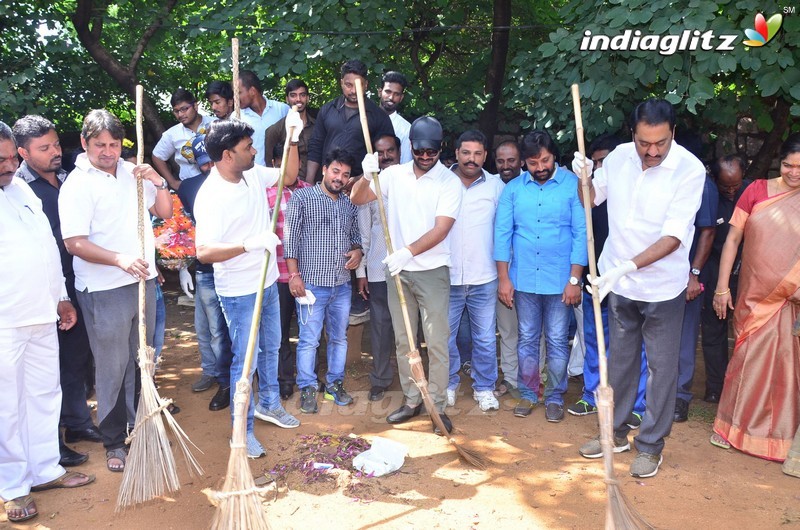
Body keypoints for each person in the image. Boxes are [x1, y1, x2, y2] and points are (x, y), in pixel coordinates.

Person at [573, 98, 706, 479]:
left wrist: (626, 267)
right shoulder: (617, 157)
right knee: (621, 360)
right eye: (644, 143)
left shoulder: (689, 170)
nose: (651, 151)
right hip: (618, 280)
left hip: (662, 287)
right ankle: (613, 433)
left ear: (673, 134)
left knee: (662, 368)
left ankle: (650, 445)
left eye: (659, 144)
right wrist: (583, 177)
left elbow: (674, 238)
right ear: (633, 134)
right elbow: (591, 200)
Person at [59, 109, 173, 473]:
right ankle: (113, 439)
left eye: (113, 144)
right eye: (99, 145)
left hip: (143, 279)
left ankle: (142, 423)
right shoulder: (77, 184)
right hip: (104, 287)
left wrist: (158, 180)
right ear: (84, 143)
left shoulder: (132, 171)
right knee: (112, 364)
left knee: (143, 355)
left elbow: (166, 211)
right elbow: (74, 242)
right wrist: (120, 259)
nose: (108, 152)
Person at [0, 121, 95, 524]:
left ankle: (44, 470)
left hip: (41, 312)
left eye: (9, 158)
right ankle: (11, 486)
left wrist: (60, 297)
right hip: (5, 320)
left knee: (43, 393)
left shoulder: (20, 190)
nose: (7, 166)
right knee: (6, 406)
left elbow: (47, 247)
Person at [194, 115, 303, 459]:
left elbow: (289, 175)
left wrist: (293, 138)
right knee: (246, 361)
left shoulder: (252, 173)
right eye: (247, 147)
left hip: (267, 281)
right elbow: (204, 252)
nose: (254, 151)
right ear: (227, 155)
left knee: (271, 348)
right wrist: (248, 244)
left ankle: (269, 404)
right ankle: (242, 430)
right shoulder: (211, 196)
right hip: (239, 291)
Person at [353, 116, 462, 434]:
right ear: (411, 147)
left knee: (438, 342)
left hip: (431, 272)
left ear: (440, 148)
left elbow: (441, 229)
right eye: (420, 151)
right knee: (405, 341)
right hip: (398, 273)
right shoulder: (393, 175)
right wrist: (366, 173)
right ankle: (412, 400)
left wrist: (407, 252)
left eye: (432, 152)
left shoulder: (448, 181)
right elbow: (357, 198)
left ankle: (437, 406)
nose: (426, 157)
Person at [12, 115, 102, 466]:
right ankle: (50, 443)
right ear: (23, 152)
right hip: (42, 292)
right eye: (44, 148)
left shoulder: (67, 178)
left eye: (56, 144)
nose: (55, 152)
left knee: (77, 359)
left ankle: (78, 423)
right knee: (45, 373)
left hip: (75, 282)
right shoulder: (18, 189)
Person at [710, 133, 800, 462]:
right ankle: (732, 428)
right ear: (781, 162)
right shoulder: (756, 190)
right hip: (753, 295)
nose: (794, 173)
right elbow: (732, 240)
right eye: (789, 165)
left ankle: (779, 438)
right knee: (746, 361)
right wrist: (722, 287)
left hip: (792, 299)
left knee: (787, 366)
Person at [495, 130, 586, 422]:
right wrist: (504, 278)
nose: (540, 167)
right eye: (533, 163)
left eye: (545, 160)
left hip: (561, 281)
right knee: (527, 339)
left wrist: (574, 279)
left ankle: (555, 396)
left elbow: (582, 234)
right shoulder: (513, 190)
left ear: (554, 157)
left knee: (558, 340)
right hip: (523, 281)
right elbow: (502, 234)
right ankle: (528, 393)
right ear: (524, 162)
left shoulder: (573, 185)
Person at [567, 134, 648, 428]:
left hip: (627, 282)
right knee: (594, 340)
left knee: (632, 345)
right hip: (596, 281)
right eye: (596, 162)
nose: (600, 167)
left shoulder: (630, 196)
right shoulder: (588, 197)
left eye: (604, 162)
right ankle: (592, 394)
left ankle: (636, 404)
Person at [284, 148, 362, 414]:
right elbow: (290, 238)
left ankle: (334, 385)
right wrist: (294, 275)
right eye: (336, 171)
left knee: (339, 338)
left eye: (346, 175)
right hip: (311, 285)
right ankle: (307, 387)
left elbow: (355, 236)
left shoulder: (348, 203)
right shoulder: (302, 198)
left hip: (341, 284)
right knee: (309, 339)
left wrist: (357, 250)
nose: (339, 178)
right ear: (325, 169)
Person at [176, 135, 235, 411]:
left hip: (224, 266)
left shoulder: (234, 183)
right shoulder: (188, 187)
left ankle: (225, 380)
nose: (207, 167)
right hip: (201, 268)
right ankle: (210, 371)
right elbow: (181, 230)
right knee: (202, 327)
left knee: (218, 330)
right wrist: (182, 267)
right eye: (202, 163)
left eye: (210, 161)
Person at [446, 130, 504, 412]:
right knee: (444, 336)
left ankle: (484, 388)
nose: (471, 159)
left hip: (484, 277)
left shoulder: (495, 186)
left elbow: (504, 231)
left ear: (485, 156)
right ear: (456, 152)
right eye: (466, 152)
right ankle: (447, 384)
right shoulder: (441, 183)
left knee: (484, 337)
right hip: (447, 276)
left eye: (478, 153)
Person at [700, 155, 750, 403]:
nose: (731, 191)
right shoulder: (708, 196)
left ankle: (742, 389)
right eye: (725, 186)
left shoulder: (753, 192)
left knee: (746, 332)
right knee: (713, 330)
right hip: (714, 271)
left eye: (735, 185)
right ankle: (715, 387)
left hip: (746, 273)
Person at [355, 134, 399, 401]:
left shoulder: (410, 181)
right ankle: (381, 377)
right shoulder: (369, 187)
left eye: (390, 151)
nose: (385, 156)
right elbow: (364, 235)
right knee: (381, 325)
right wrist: (361, 272)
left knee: (409, 325)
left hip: (408, 266)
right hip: (378, 267)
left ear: (399, 151)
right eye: (380, 153)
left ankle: (411, 377)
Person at [266, 142, 311, 401]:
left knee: (309, 329)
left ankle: (309, 377)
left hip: (308, 274)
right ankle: (285, 379)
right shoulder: (266, 194)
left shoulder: (310, 192)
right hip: (278, 275)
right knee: (280, 332)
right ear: (274, 165)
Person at [305, 59, 395, 184]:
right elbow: (316, 146)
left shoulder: (379, 117)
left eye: (358, 85)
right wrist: (309, 181)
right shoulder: (327, 109)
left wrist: (360, 179)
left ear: (366, 85)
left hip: (361, 187)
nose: (353, 91)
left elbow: (386, 159)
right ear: (341, 83)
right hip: (327, 185)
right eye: (348, 85)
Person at [674, 172, 718, 422]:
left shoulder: (701, 183)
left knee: (685, 334)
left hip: (686, 274)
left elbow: (708, 231)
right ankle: (646, 394)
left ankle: (680, 396)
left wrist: (694, 274)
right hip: (653, 273)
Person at [492, 140, 523, 397]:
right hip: (500, 273)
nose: (505, 166)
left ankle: (537, 378)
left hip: (532, 272)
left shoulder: (532, 185)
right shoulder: (491, 185)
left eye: (511, 160)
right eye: (501, 161)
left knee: (537, 332)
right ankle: (512, 379)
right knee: (508, 329)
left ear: (521, 160)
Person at [152, 88, 215, 190]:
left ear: (195, 106)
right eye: (176, 111)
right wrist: (172, 183)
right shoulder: (172, 134)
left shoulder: (215, 124)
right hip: (191, 187)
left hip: (219, 181)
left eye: (184, 109)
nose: (180, 115)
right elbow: (157, 157)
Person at [264, 79, 317, 183]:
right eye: (293, 95)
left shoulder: (317, 126)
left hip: (317, 185)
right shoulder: (274, 130)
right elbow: (270, 165)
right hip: (289, 187)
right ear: (287, 99)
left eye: (302, 95)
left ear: (307, 98)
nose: (298, 99)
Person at [238, 70, 290, 166]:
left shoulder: (282, 110)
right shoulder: (236, 118)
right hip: (253, 176)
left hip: (280, 174)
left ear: (252, 91)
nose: (235, 97)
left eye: (239, 92)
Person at [379, 71, 412, 163]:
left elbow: (405, 163)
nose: (391, 97)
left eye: (396, 94)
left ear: (401, 98)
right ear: (380, 92)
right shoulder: (365, 119)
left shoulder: (406, 129)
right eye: (388, 92)